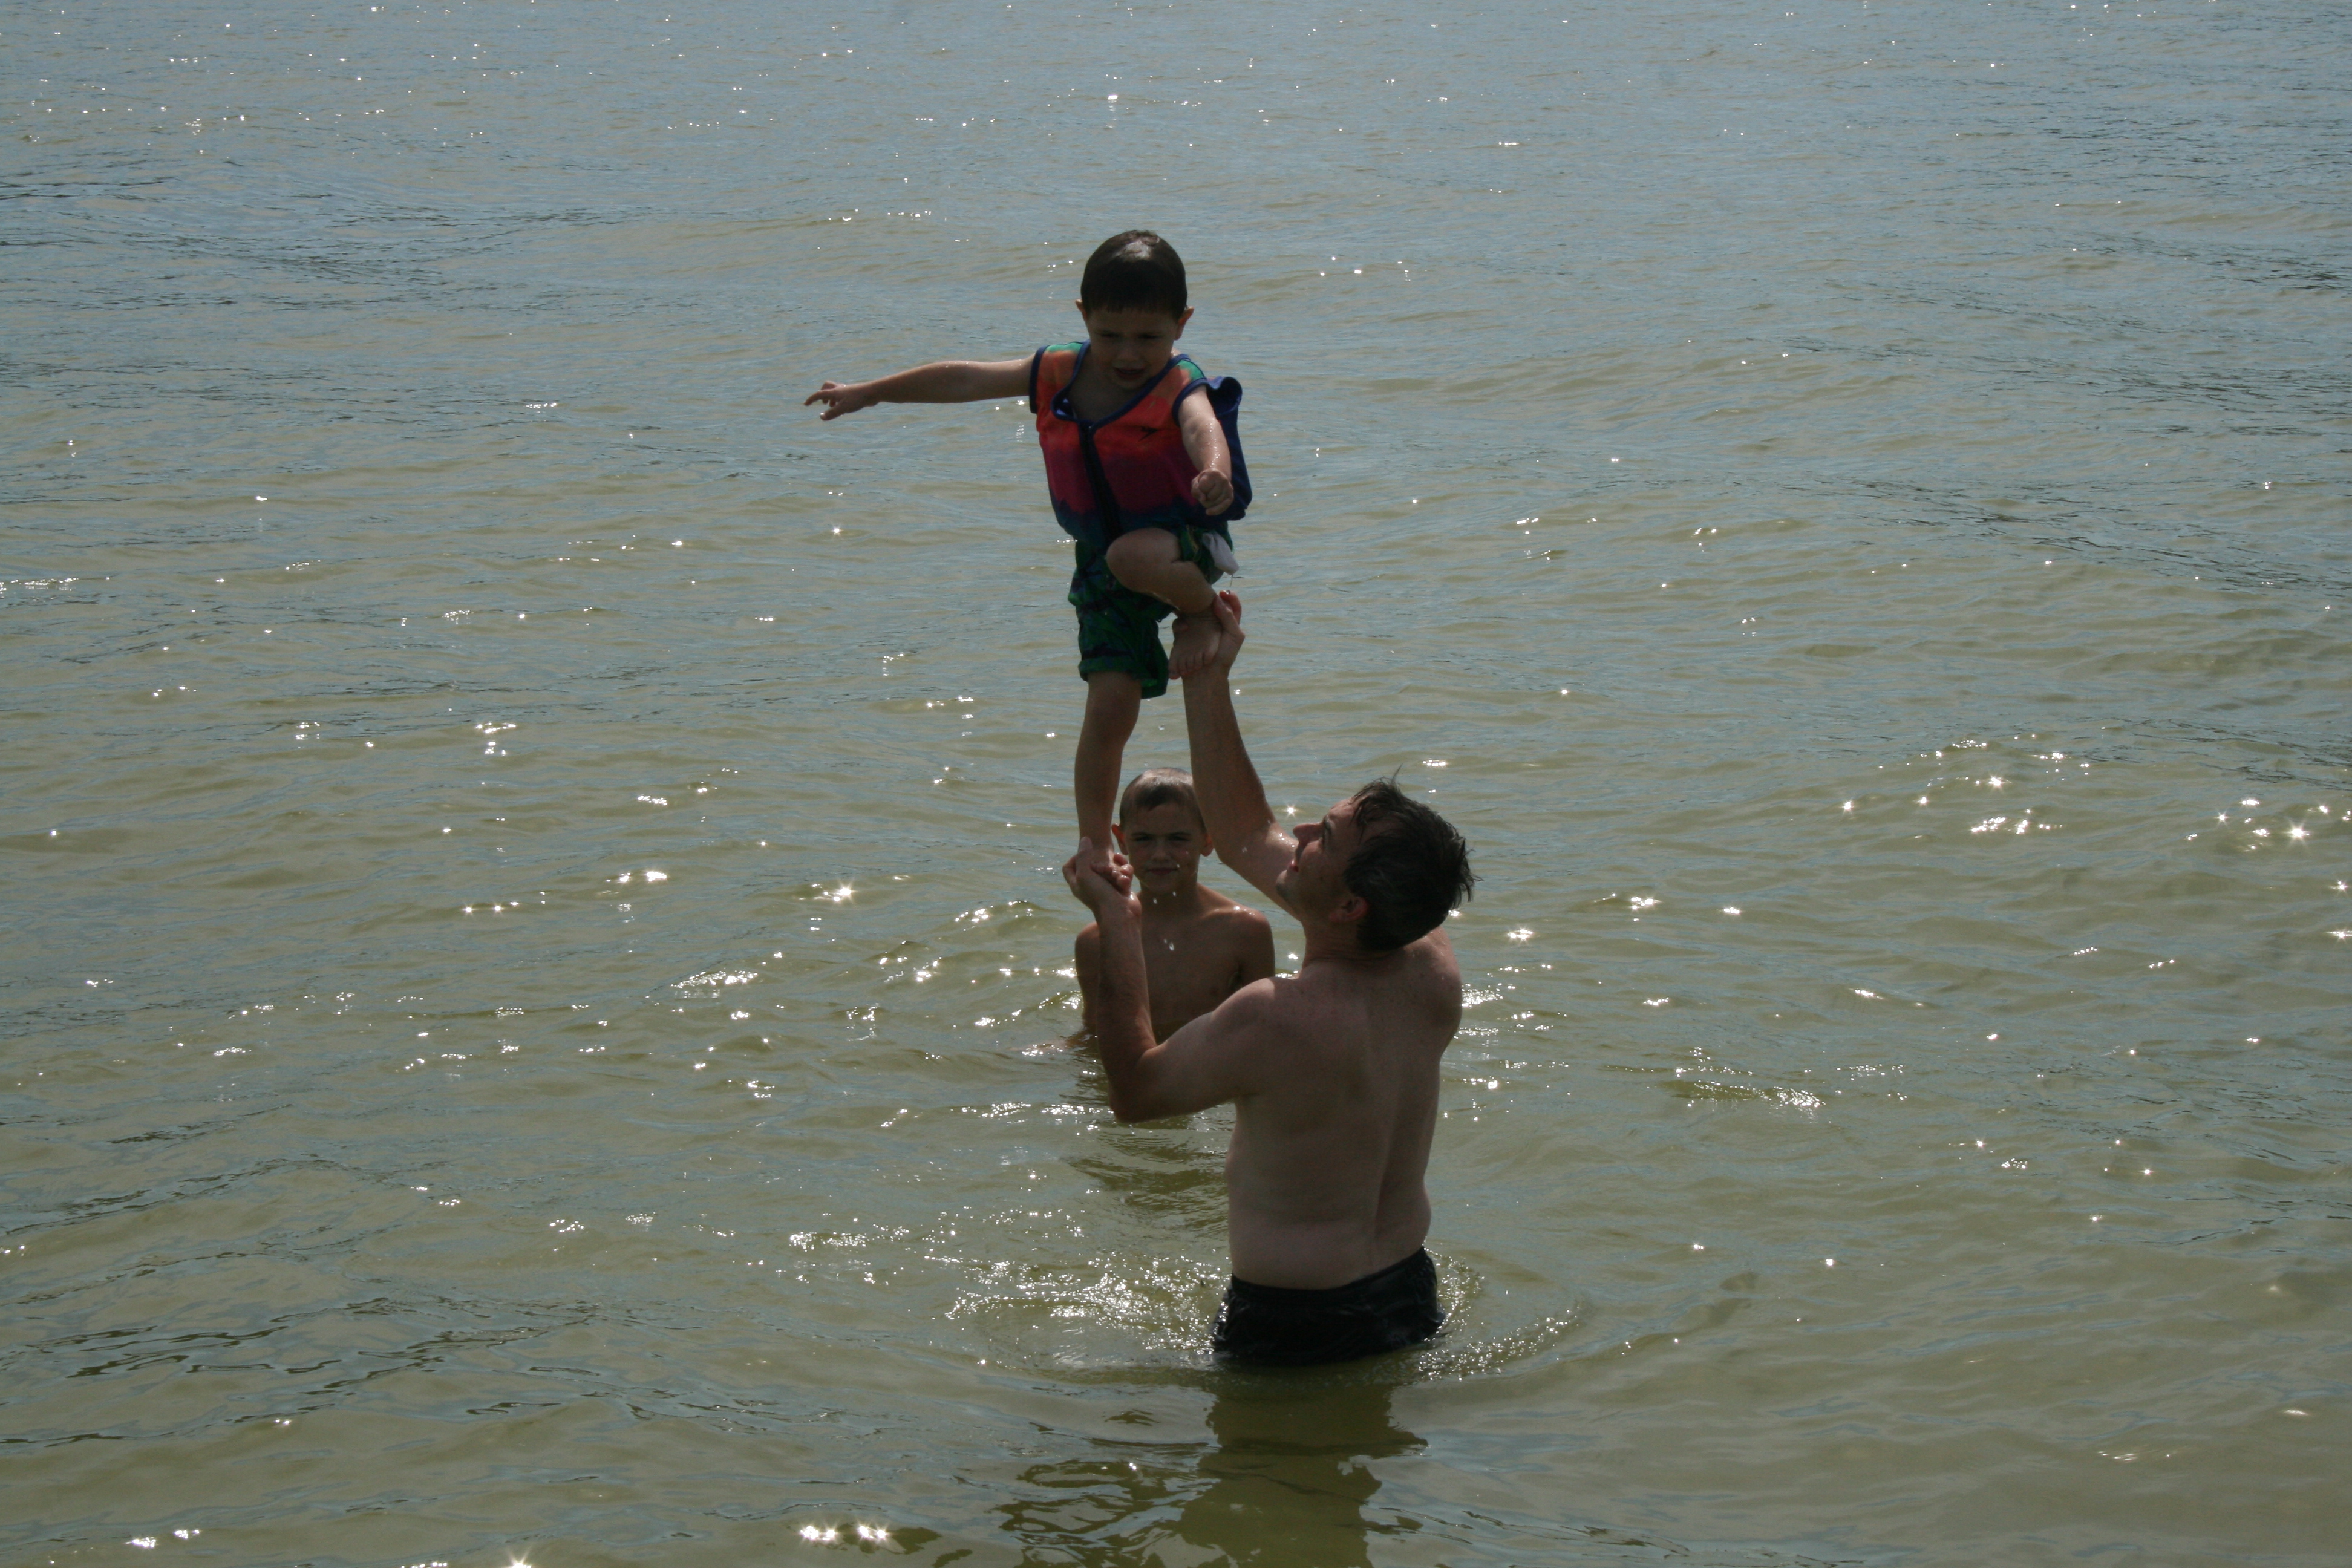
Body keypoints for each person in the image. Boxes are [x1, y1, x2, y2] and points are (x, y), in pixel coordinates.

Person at [1060, 593, 1475, 1366]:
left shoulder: (1275, 1017)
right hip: (1409, 1290)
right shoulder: (1430, 965)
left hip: (1294, 1324)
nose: (1301, 832)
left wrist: (1116, 920)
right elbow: (1247, 832)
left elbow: (1136, 1094)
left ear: (1348, 906)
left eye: (1325, 837)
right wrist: (1205, 675)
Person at [805, 230, 1252, 870]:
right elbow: (963, 378)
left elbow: (1203, 427)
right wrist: (870, 390)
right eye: (1110, 335)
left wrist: (1215, 472)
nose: (1128, 354)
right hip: (1101, 561)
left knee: (1134, 557)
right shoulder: (1056, 370)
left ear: (1181, 325)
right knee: (1108, 707)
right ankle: (1095, 843)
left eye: (1149, 338)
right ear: (1083, 318)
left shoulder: (1182, 384)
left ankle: (1203, 612)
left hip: (1181, 544)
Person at [1076, 768, 1275, 1041]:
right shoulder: (1097, 940)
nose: (1160, 854)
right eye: (1144, 839)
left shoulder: (1245, 930)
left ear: (1208, 839)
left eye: (1177, 839)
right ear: (1122, 840)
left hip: (1209, 1062)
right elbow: (1096, 1031)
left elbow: (1262, 1029)